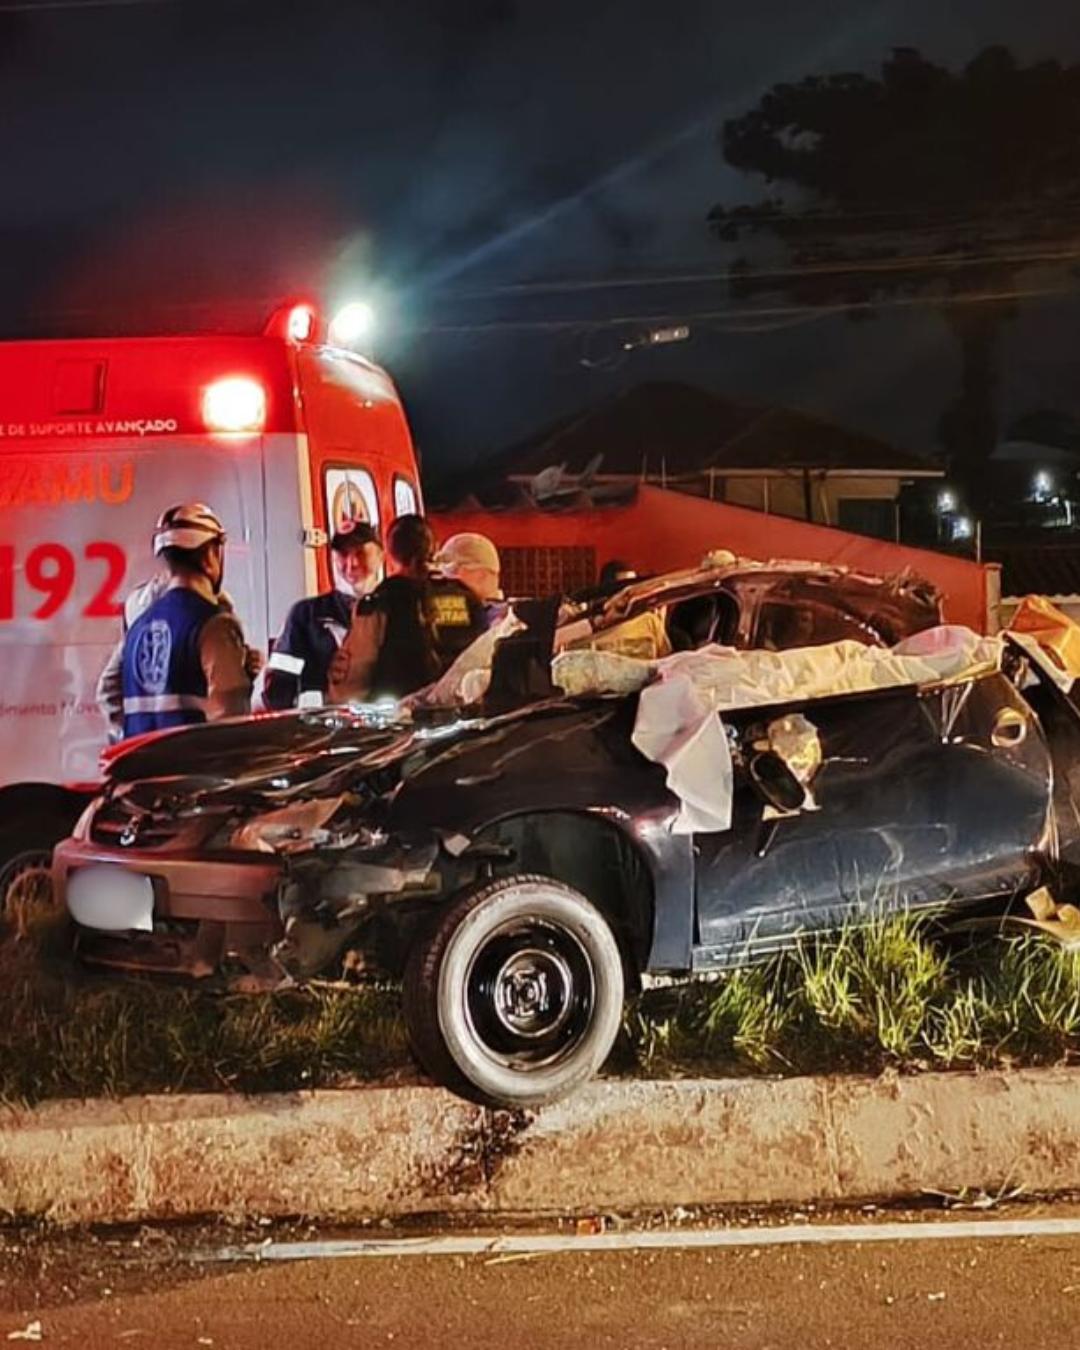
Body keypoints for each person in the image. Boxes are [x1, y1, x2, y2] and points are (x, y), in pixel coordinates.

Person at [119, 503, 253, 738]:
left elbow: (113, 695)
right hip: (195, 761)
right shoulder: (214, 624)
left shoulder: (137, 628)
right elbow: (231, 718)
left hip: (141, 762)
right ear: (210, 554)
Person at [328, 514, 486, 703]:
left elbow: (352, 681)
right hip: (461, 710)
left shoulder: (380, 601)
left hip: (402, 713)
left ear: (389, 553)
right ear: (434, 548)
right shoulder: (467, 597)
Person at [264, 521, 383, 710]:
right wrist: (323, 686)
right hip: (322, 724)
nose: (352, 563)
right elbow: (279, 689)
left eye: (360, 553)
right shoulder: (305, 615)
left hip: (384, 724)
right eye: (343, 554)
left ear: (380, 555)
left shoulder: (393, 611)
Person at [434, 532, 507, 627]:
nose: (448, 585)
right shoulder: (442, 615)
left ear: (482, 575)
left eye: (455, 571)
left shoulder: (512, 621)